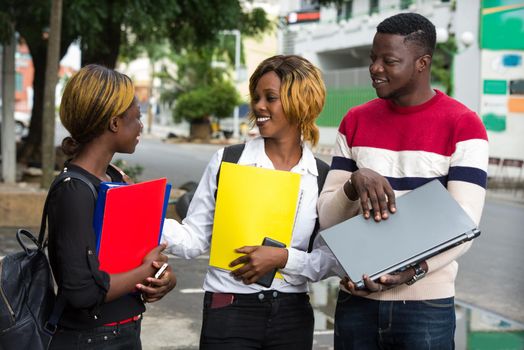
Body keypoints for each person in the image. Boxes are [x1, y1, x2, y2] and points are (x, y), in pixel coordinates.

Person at [317, 13, 489, 349]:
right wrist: (355, 183)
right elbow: (327, 218)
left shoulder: (463, 125)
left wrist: (414, 272)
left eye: (389, 60)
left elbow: (464, 226)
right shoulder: (355, 121)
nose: (375, 68)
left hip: (425, 307)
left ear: (422, 63)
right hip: (357, 301)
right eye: (373, 58)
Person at [162, 54, 332, 349]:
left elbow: (328, 259)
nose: (258, 106)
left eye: (270, 98)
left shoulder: (320, 175)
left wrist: (284, 258)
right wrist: (142, 215)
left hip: (292, 316)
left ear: (301, 102)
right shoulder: (229, 160)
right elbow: (193, 239)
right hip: (229, 312)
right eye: (256, 97)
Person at [47, 64, 177, 349]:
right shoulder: (73, 190)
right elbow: (80, 292)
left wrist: (160, 277)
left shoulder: (115, 179)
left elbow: (132, 259)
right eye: (137, 117)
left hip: (124, 332)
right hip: (89, 339)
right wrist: (144, 271)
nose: (141, 125)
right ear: (115, 123)